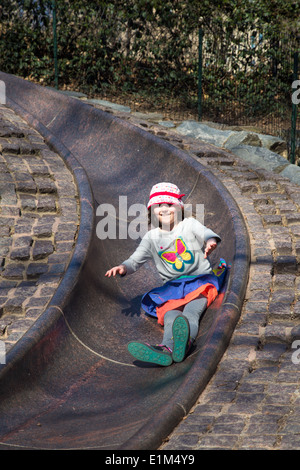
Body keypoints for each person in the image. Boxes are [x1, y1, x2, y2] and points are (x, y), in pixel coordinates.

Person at [105, 182, 226, 366]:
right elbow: (135, 260)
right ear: (152, 210)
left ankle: (185, 343)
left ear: (178, 208)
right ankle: (167, 349)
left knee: (191, 314)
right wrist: (123, 267)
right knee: (171, 317)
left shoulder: (188, 224)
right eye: (158, 206)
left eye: (169, 205)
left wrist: (210, 241)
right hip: (173, 289)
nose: (164, 209)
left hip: (200, 282)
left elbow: (205, 232)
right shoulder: (151, 238)